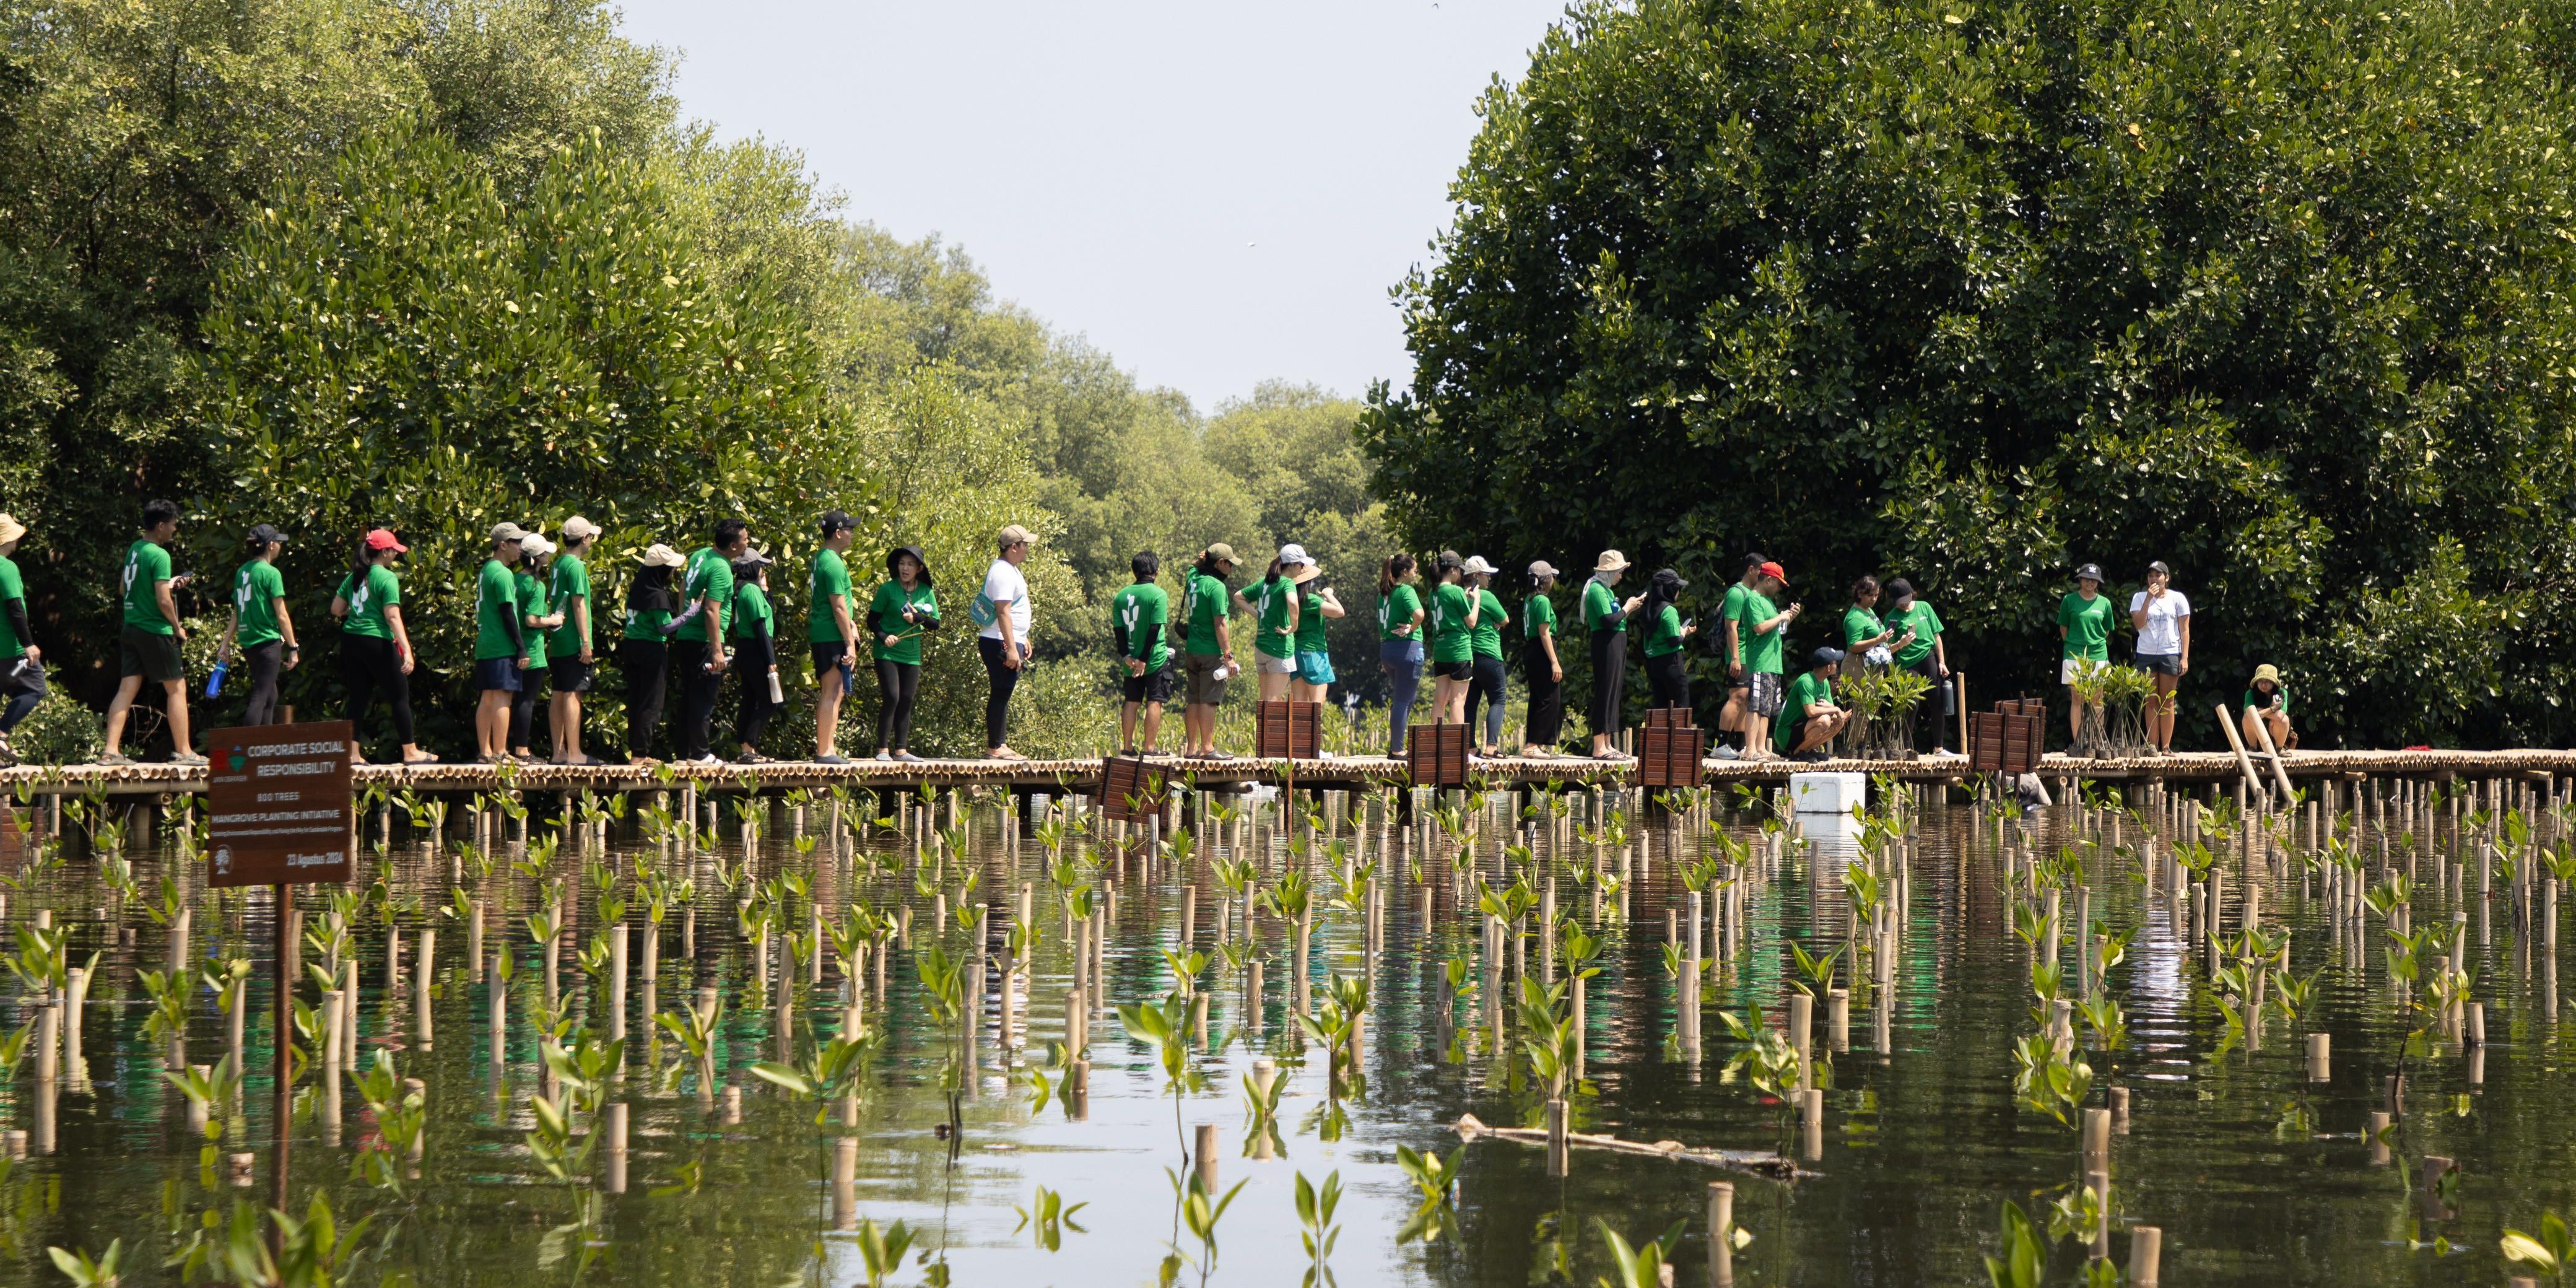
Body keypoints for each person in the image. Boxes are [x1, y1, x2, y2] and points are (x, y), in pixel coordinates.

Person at [103, 500, 201, 765]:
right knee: (177, 689)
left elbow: (125, 590)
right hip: (153, 629)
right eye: (172, 525)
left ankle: (110, 751)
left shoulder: (135, 549)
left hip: (131, 627)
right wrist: (176, 627)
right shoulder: (160, 555)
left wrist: (169, 584)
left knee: (126, 689)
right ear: (160, 526)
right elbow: (163, 601)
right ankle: (184, 751)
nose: (174, 530)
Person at [333, 529, 433, 765]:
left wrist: (360, 613)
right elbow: (392, 616)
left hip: (351, 641)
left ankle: (353, 754)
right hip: (376, 640)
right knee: (399, 695)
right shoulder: (387, 577)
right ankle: (410, 751)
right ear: (385, 552)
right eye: (394, 551)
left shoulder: (354, 576)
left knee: (357, 697)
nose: (395, 555)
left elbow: (336, 609)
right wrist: (407, 650)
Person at [671, 520, 749, 765]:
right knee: (704, 697)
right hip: (704, 641)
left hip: (686, 637)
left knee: (689, 696)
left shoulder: (701, 555)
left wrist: (682, 618)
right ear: (734, 546)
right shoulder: (722, 569)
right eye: (746, 539)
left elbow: (683, 586)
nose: (749, 542)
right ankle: (700, 753)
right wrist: (717, 651)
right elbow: (712, 611)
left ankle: (684, 753)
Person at [220, 523, 297, 727]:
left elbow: (237, 611)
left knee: (270, 695)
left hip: (248, 642)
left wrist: (225, 643)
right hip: (267, 642)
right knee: (261, 696)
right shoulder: (271, 573)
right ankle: (249, 748)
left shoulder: (242, 572)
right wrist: (293, 647)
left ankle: (265, 745)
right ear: (271, 545)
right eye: (279, 542)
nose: (281, 545)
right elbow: (281, 615)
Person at [867, 545, 938, 762]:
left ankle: (901, 751)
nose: (905, 568)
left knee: (906, 699)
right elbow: (872, 620)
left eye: (910, 564)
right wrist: (883, 636)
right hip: (887, 651)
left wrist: (917, 618)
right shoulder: (887, 589)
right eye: (901, 564)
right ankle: (882, 750)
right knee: (892, 696)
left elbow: (935, 624)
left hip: (911, 654)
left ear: (919, 568)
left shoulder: (926, 591)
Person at [617, 544, 686, 764]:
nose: (673, 572)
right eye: (670, 568)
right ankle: (640, 755)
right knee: (652, 703)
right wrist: (691, 614)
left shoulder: (637, 588)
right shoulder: (658, 595)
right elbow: (665, 627)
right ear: (661, 570)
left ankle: (636, 753)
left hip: (631, 647)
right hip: (651, 650)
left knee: (637, 700)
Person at [470, 522, 531, 764]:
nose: (520, 548)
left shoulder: (487, 569)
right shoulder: (504, 573)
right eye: (516, 543)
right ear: (503, 545)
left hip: (486, 643)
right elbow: (508, 612)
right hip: (501, 644)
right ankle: (501, 752)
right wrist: (521, 647)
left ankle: (485, 752)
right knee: (504, 697)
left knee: (487, 697)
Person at [1726, 561, 1800, 760]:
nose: (1779, 588)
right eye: (1778, 584)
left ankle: (1762, 748)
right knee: (1756, 706)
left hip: (1774, 663)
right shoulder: (1753, 599)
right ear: (1768, 580)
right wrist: (1780, 616)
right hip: (1760, 661)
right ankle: (1750, 749)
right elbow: (1759, 627)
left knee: (1767, 709)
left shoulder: (1768, 601)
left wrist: (1788, 617)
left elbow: (1775, 628)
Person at [546, 517, 602, 765]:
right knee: (573, 694)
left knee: (558, 693)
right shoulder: (576, 566)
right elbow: (579, 605)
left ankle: (558, 753)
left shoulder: (559, 563)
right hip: (571, 639)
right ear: (584, 539)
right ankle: (575, 753)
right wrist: (586, 641)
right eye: (591, 536)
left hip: (558, 638)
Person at [808, 511, 862, 764]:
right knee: (831, 691)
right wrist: (850, 643)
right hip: (831, 634)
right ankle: (824, 751)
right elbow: (838, 605)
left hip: (827, 631)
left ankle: (829, 748)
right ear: (838, 533)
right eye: (850, 529)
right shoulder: (833, 563)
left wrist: (851, 623)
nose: (852, 533)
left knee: (836, 691)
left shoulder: (823, 558)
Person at [977, 524, 1034, 760]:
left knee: (1004, 690)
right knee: (1001, 690)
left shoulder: (1011, 569)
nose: (1028, 549)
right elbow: (1003, 611)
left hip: (1007, 638)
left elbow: (1017, 606)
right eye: (1025, 545)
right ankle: (996, 746)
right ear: (1014, 547)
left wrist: (1023, 637)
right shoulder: (1001, 572)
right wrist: (1012, 648)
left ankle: (999, 744)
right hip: (999, 640)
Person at [1177, 544, 1240, 759]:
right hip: (1211, 651)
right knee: (1209, 700)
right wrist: (1228, 657)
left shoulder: (1193, 580)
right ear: (1220, 563)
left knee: (1193, 699)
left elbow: (1191, 569)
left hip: (1192, 650)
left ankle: (1191, 749)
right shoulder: (1217, 587)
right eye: (1229, 563)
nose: (1231, 568)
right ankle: (1207, 748)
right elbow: (1220, 624)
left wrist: (1199, 559)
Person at [507, 533, 564, 760]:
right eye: (545, 554)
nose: (548, 556)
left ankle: (505, 748)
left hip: (511, 647)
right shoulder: (536, 585)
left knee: (509, 699)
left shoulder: (512, 578)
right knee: (526, 701)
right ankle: (522, 750)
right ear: (538, 558)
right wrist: (553, 620)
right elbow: (532, 620)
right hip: (531, 649)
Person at [1112, 551, 1174, 755]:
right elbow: (1155, 629)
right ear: (1156, 571)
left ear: (1134, 571)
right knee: (1154, 700)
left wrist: (1126, 656)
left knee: (1132, 701)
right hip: (1154, 659)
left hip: (1130, 660)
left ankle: (1128, 747)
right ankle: (1149, 748)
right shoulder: (1158, 594)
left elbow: (1118, 630)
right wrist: (1144, 660)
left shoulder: (1121, 595)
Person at [2129, 560, 2190, 755]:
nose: (2154, 579)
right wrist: (2149, 598)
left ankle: (2166, 746)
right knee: (2151, 700)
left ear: (2167, 578)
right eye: (2151, 575)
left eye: (2158, 575)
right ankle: (2152, 746)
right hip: (2146, 654)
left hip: (2170, 652)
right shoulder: (2139, 597)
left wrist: (2185, 658)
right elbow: (2139, 624)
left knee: (2168, 701)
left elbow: (2184, 630)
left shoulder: (2178, 599)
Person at [1884, 578, 1951, 755]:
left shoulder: (1924, 607)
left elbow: (1937, 636)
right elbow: (1885, 650)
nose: (1903, 606)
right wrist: (1900, 644)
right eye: (1899, 603)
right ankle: (1906, 748)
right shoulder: (1891, 617)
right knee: (1910, 705)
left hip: (1928, 658)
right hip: (1907, 663)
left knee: (1937, 702)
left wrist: (1941, 662)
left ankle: (1939, 748)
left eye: (1905, 602)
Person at [2058, 562, 2117, 750]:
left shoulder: (2105, 603)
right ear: (2080, 580)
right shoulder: (2069, 600)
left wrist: (2092, 642)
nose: (2090, 582)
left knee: (2098, 699)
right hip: (2074, 654)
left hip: (2098, 653)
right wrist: (2076, 644)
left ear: (2098, 583)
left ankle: (2097, 741)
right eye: (2087, 578)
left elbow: (2107, 630)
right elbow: (2063, 629)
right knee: (2077, 699)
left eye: (2094, 580)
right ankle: (2078, 741)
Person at [728, 547, 779, 762]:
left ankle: (745, 749)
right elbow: (761, 627)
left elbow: (768, 613)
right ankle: (750, 746)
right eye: (760, 566)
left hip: (744, 649)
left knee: (750, 699)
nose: (763, 570)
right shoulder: (751, 591)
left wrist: (766, 591)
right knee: (769, 701)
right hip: (755, 649)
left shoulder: (742, 589)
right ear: (752, 567)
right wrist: (771, 660)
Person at [1582, 550, 1632, 759]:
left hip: (1616, 642)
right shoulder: (1596, 590)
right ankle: (1598, 746)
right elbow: (1608, 620)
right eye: (1619, 571)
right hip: (1605, 643)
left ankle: (1608, 744)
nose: (1621, 575)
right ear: (1609, 571)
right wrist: (1628, 608)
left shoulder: (1607, 590)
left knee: (1614, 691)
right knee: (1605, 691)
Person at [0, 515, 41, 764]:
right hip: (10, 647)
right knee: (35, 688)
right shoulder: (7, 568)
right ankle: (2, 732)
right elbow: (15, 608)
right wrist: (28, 644)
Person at [1715, 554, 1766, 756]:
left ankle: (1740, 745)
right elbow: (1731, 627)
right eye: (1761, 572)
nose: (1763, 577)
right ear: (1751, 570)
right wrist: (1735, 657)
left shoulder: (1752, 593)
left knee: (1746, 699)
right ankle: (1720, 746)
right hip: (1739, 653)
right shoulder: (1737, 593)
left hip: (1750, 654)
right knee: (1737, 696)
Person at [1460, 556, 1510, 755]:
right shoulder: (1486, 596)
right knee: (1498, 699)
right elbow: (1505, 619)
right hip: (1489, 654)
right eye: (1486, 575)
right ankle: (1491, 747)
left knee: (1470, 703)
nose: (1489, 579)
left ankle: (1471, 748)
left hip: (1468, 656)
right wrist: (1496, 623)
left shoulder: (1460, 595)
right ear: (1476, 576)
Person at [1377, 554, 1424, 757]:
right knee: (1403, 700)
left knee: (1405, 698)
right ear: (1404, 572)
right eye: (1414, 570)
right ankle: (1397, 750)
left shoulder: (1383, 594)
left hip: (1387, 649)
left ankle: (1398, 744)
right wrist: (1411, 628)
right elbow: (1420, 614)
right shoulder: (1406, 590)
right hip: (1407, 649)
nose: (1416, 573)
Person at [1775, 646, 1852, 761]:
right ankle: (1798, 753)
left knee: (1838, 721)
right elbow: (1811, 712)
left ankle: (1807, 750)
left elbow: (1831, 710)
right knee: (1825, 720)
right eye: (1836, 662)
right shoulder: (1806, 681)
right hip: (1786, 733)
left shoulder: (1824, 682)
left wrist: (1840, 716)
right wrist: (1835, 709)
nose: (1837, 665)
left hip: (1804, 727)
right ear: (1829, 667)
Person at [1427, 551, 1477, 727]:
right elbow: (1471, 622)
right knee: (1457, 700)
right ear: (1454, 570)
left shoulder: (1433, 592)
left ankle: (1436, 742)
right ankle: (1457, 748)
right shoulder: (1456, 591)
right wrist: (1476, 599)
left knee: (1440, 701)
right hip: (1458, 650)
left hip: (1441, 651)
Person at [1520, 561, 1564, 758]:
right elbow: (1544, 632)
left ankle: (1534, 743)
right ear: (1546, 580)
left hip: (1531, 650)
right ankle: (1533, 744)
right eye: (1552, 577)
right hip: (1541, 649)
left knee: (1538, 697)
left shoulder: (1529, 599)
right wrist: (1554, 661)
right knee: (1550, 698)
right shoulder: (1542, 601)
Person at [1290, 554, 1344, 708]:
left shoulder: (1291, 600)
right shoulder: (1311, 600)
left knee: (1298, 707)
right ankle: (1313, 733)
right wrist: (1329, 595)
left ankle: (1296, 733)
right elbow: (1339, 612)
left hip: (1296, 652)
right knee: (1316, 706)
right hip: (1314, 653)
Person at [1249, 549, 1301, 703]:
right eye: (1301, 564)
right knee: (1273, 701)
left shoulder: (1264, 582)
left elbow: (1238, 596)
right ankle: (1267, 729)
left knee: (1263, 700)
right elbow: (1292, 602)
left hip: (1262, 645)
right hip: (1279, 648)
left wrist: (1257, 614)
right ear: (1291, 566)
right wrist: (1294, 626)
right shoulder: (1288, 583)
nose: (1302, 568)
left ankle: (1260, 728)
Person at [1639, 567, 1694, 711]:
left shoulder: (1649, 608)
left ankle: (1660, 735)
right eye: (1677, 588)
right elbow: (1674, 640)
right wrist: (1683, 632)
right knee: (1680, 708)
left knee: (1661, 710)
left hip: (1653, 664)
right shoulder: (1669, 610)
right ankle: (1679, 734)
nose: (1678, 592)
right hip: (1672, 663)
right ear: (1669, 589)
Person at [1843, 576, 1900, 669]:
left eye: (1876, 595)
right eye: (1870, 595)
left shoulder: (1868, 610)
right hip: (1858, 666)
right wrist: (1878, 640)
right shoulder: (1855, 617)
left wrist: (1899, 644)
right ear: (1860, 594)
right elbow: (1853, 646)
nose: (1874, 599)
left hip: (1874, 664)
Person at [2242, 663, 2294, 751]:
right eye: (2260, 681)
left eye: (2268, 681)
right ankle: (2252, 748)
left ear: (2274, 683)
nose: (2263, 685)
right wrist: (2272, 709)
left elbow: (2279, 716)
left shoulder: (2282, 693)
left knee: (2285, 720)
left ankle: (2279, 749)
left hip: (2274, 731)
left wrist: (2259, 712)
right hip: (2257, 732)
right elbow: (2250, 715)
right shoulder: (2250, 694)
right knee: (2247, 717)